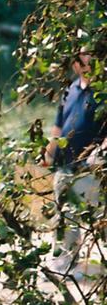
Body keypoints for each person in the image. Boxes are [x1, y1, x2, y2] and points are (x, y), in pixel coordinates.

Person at [44, 49, 106, 275]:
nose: (88, 66)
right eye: (83, 62)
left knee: (89, 215)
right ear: (76, 65)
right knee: (63, 214)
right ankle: (63, 266)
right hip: (66, 163)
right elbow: (59, 123)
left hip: (91, 165)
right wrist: (50, 151)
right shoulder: (70, 90)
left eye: (92, 61)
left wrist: (99, 153)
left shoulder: (102, 93)